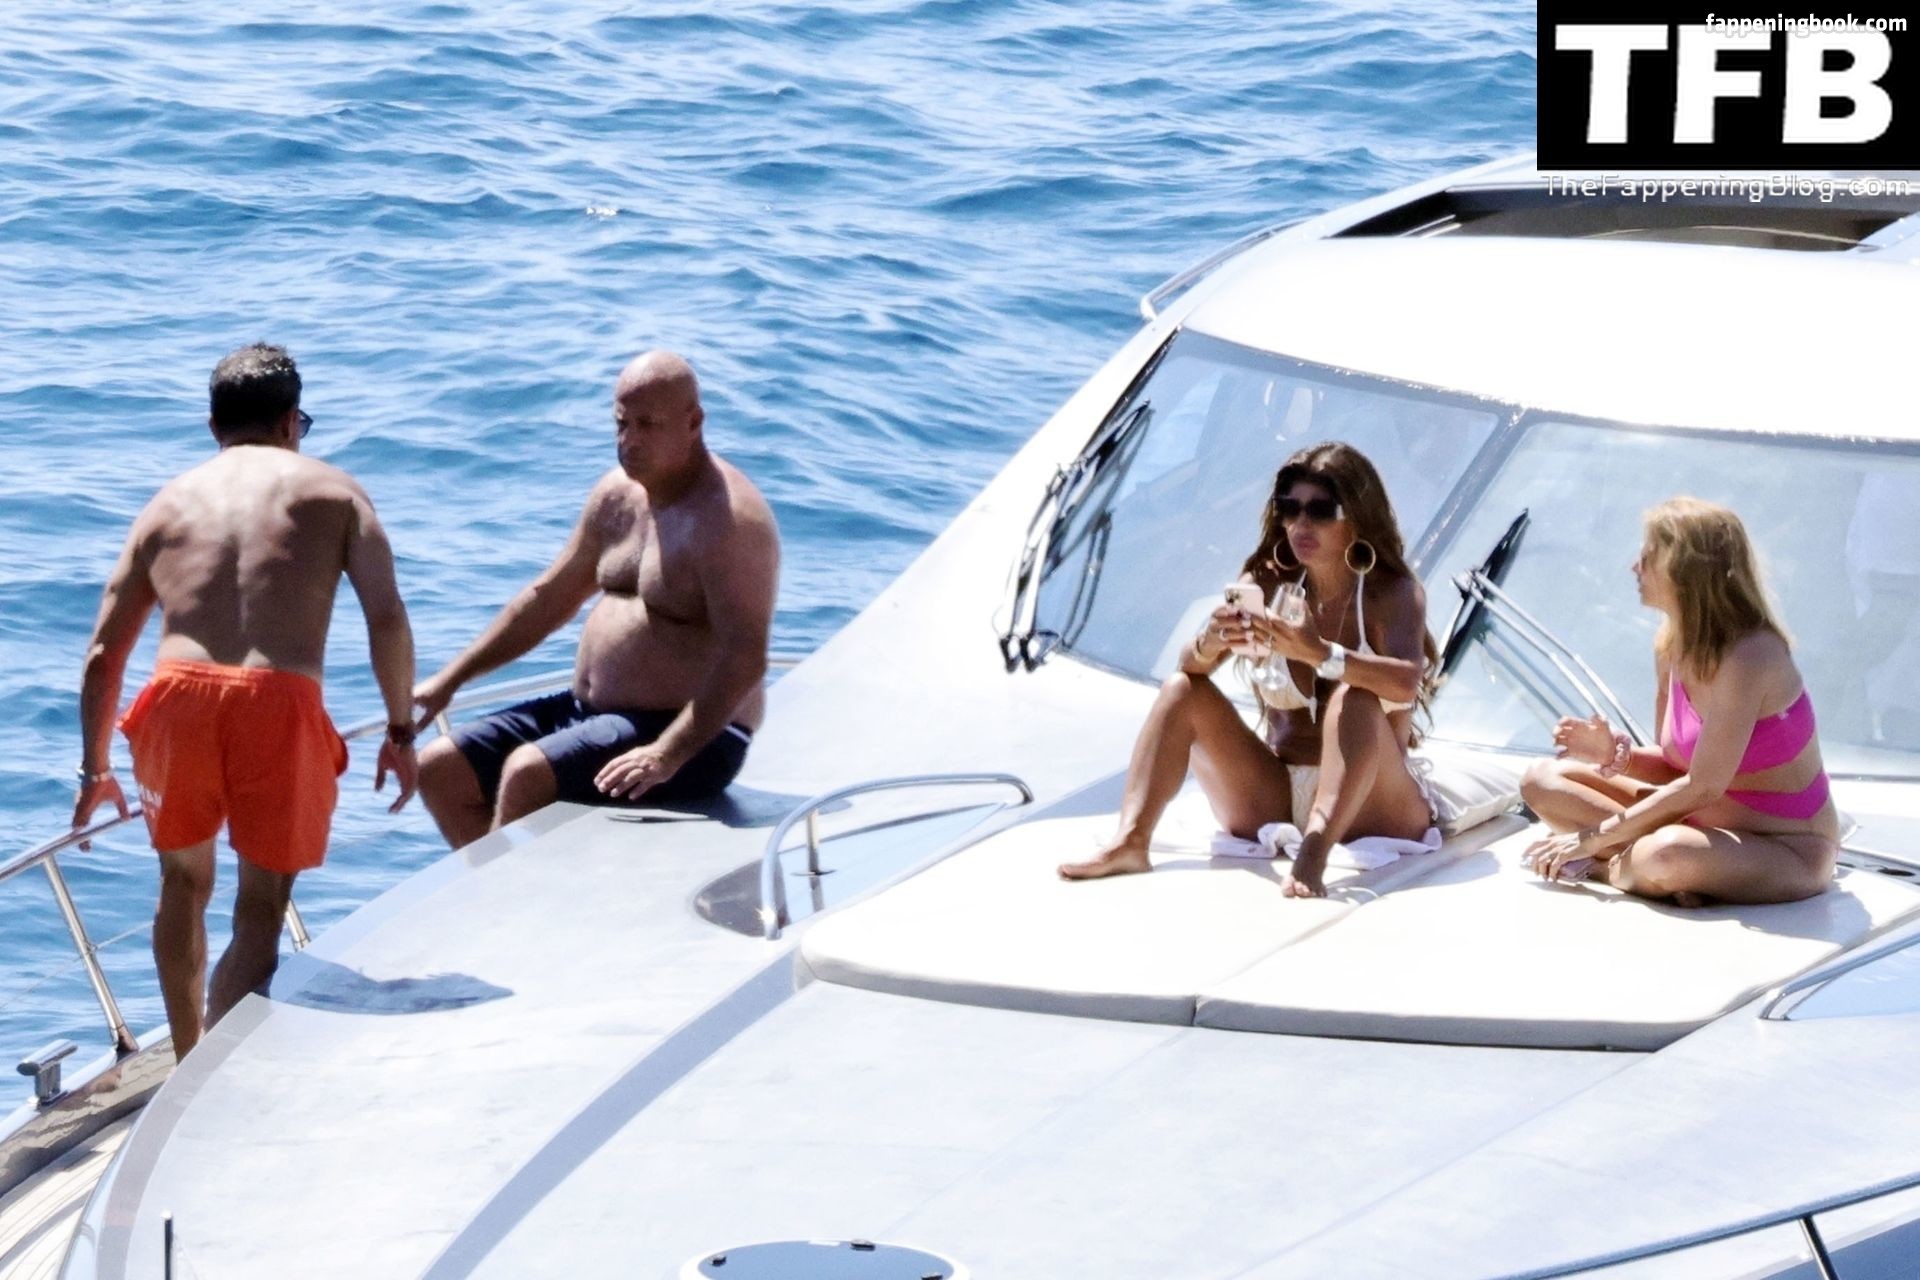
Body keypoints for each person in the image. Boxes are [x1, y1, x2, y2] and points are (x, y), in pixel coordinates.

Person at [71, 343, 419, 1060]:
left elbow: (105, 653)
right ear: (292, 421)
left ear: (213, 426)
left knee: (182, 882)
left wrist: (95, 769)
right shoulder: (335, 493)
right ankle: (215, 1072)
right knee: (260, 905)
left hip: (177, 697)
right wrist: (400, 730)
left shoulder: (166, 505)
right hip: (276, 699)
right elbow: (386, 617)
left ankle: (185, 1060)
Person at [413, 351, 779, 847]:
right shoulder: (616, 497)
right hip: (592, 711)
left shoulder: (728, 521)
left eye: (648, 425)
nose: (629, 441)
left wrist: (667, 753)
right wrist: (450, 680)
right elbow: (548, 598)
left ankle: (499, 896)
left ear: (693, 423)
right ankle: (518, 886)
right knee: (441, 767)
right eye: (622, 424)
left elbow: (746, 657)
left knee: (527, 772)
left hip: (696, 735)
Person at [1059, 441, 1437, 898]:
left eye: (1320, 511)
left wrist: (1320, 653)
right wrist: (1212, 639)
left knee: (1354, 696)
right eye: (1289, 508)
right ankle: (1130, 841)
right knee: (1182, 689)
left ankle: (1313, 856)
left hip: (1374, 805)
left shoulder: (1390, 592)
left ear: (1356, 516)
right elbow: (1189, 666)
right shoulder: (1266, 581)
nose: (1300, 524)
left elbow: (1406, 681)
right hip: (1276, 794)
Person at [1522, 497, 1838, 906]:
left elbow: (1703, 786)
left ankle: (1605, 867)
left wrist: (1592, 839)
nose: (1634, 567)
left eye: (1648, 557)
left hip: (1784, 850)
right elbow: (1677, 768)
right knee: (1542, 780)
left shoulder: (1752, 656)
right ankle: (1662, 877)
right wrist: (1616, 756)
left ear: (1685, 570)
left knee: (1666, 855)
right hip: (1694, 827)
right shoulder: (1671, 645)